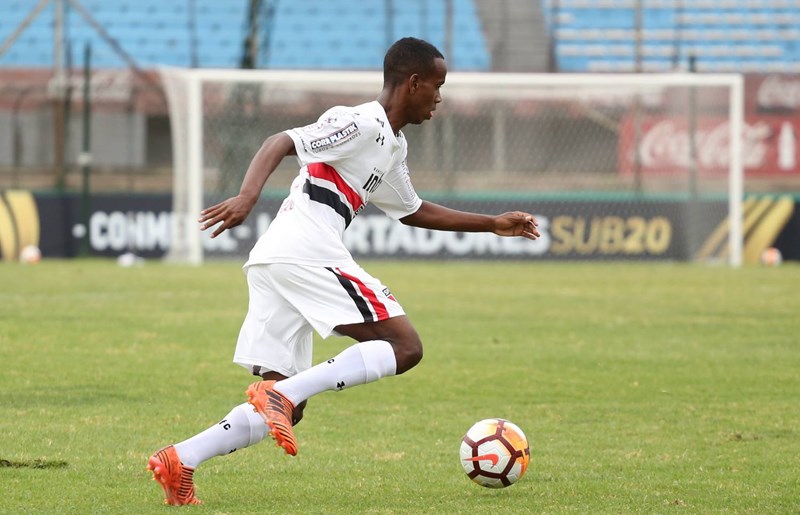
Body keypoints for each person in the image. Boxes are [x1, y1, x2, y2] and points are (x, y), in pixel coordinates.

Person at [147, 37, 540, 506]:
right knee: (405, 346)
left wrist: (492, 224)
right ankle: (282, 395)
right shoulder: (360, 123)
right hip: (305, 250)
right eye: (437, 86)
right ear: (413, 83)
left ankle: (181, 458)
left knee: (288, 403)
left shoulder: (392, 145)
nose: (440, 97)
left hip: (277, 258)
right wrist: (248, 196)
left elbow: (411, 210)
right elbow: (282, 141)